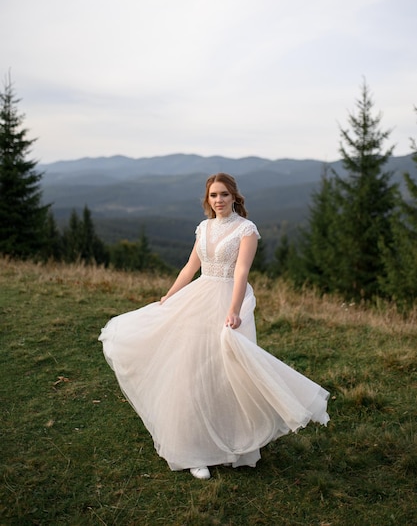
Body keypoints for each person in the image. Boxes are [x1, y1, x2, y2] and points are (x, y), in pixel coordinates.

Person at [99, 173, 329, 480]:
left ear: (234, 196)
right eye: (212, 196)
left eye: (223, 194)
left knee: (225, 371)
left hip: (226, 301)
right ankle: (193, 449)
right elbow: (190, 267)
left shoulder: (246, 230)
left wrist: (234, 312)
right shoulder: (204, 227)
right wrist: (170, 295)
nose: (218, 200)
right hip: (198, 298)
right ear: (207, 200)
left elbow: (242, 272)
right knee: (191, 369)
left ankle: (230, 440)